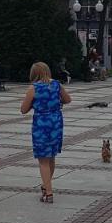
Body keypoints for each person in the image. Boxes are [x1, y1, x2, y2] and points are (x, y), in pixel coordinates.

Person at [20, 61, 71, 203]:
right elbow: (68, 99)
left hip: (41, 124)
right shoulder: (56, 85)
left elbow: (23, 110)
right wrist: (56, 102)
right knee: (51, 157)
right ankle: (45, 185)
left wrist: (35, 104)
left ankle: (48, 193)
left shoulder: (33, 88)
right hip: (56, 122)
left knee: (43, 160)